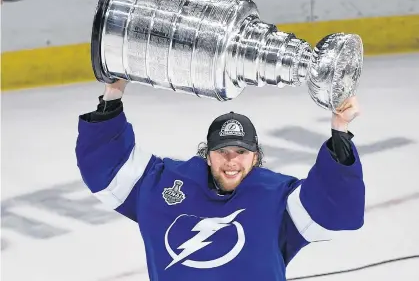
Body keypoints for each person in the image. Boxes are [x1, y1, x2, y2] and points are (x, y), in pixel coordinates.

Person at [75, 79, 365, 281]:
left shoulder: (278, 199)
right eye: (222, 152)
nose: (231, 160)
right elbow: (107, 169)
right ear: (208, 155)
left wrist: (339, 131)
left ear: (255, 157)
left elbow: (334, 208)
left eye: (241, 152)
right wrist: (112, 95)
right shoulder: (164, 186)